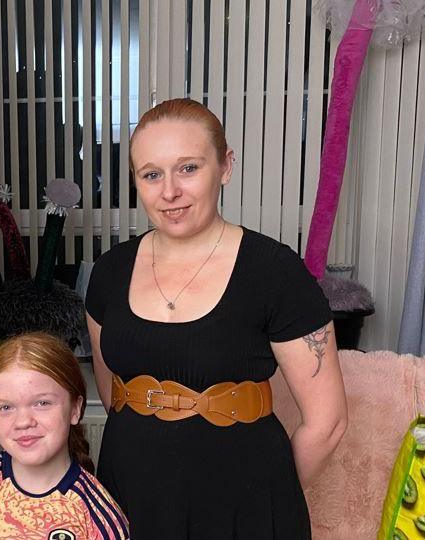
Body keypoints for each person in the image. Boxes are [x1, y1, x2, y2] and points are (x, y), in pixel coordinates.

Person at [85, 98, 348, 539]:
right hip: (131, 497)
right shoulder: (110, 273)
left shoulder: (275, 273)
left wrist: (265, 497)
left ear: (225, 166)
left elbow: (328, 423)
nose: (169, 191)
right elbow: (115, 396)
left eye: (188, 168)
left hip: (244, 507)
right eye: (151, 174)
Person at [0, 332, 130, 540]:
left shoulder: (100, 521)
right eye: (6, 407)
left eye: (42, 403)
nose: (23, 421)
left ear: (75, 409)